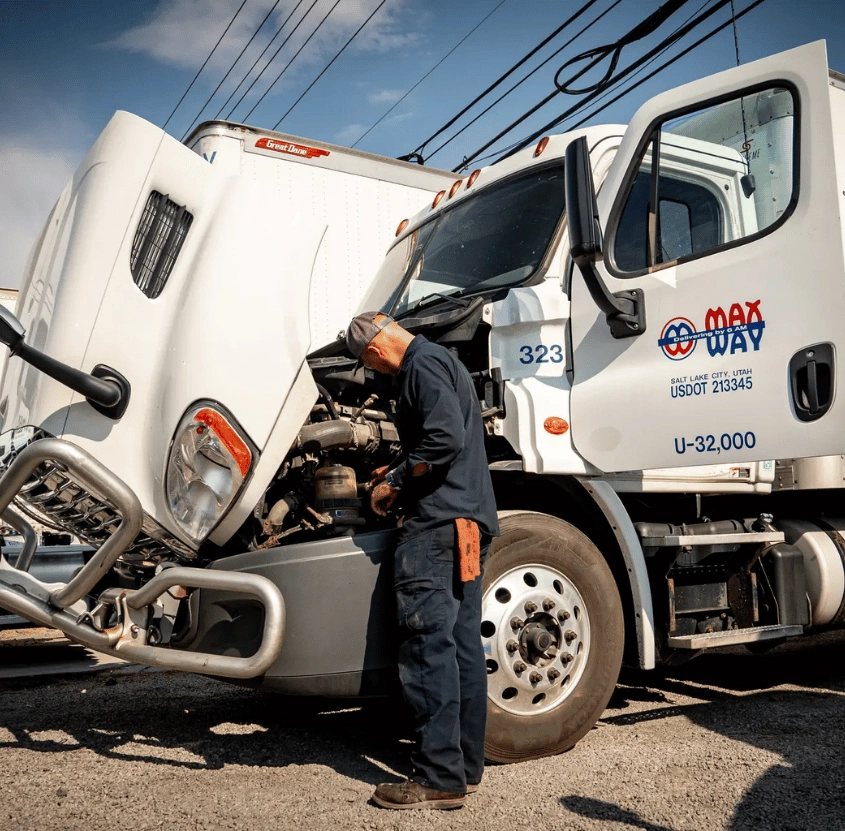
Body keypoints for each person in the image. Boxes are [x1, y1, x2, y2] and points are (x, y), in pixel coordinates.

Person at [345, 310, 500, 811]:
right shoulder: (444, 361)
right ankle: (464, 768)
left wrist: (393, 480)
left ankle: (437, 776)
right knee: (460, 646)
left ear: (374, 349)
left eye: (370, 363)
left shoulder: (419, 365)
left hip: (435, 528)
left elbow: (444, 439)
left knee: (426, 646)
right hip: (467, 527)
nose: (376, 373)